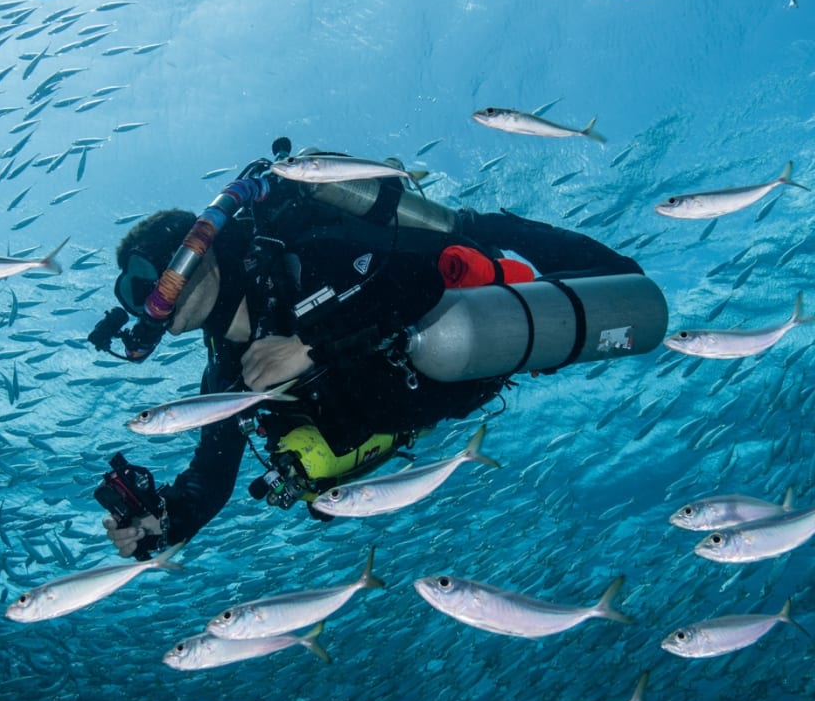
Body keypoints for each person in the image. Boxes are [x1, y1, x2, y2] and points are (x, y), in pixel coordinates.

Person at [86, 147, 643, 558]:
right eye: (131, 299)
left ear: (191, 255)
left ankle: (549, 260)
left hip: (469, 339)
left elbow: (426, 271)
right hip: (428, 399)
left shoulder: (305, 254)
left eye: (144, 284)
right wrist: (164, 522)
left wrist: (310, 346)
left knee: (500, 247)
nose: (145, 309)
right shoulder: (226, 373)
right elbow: (210, 476)